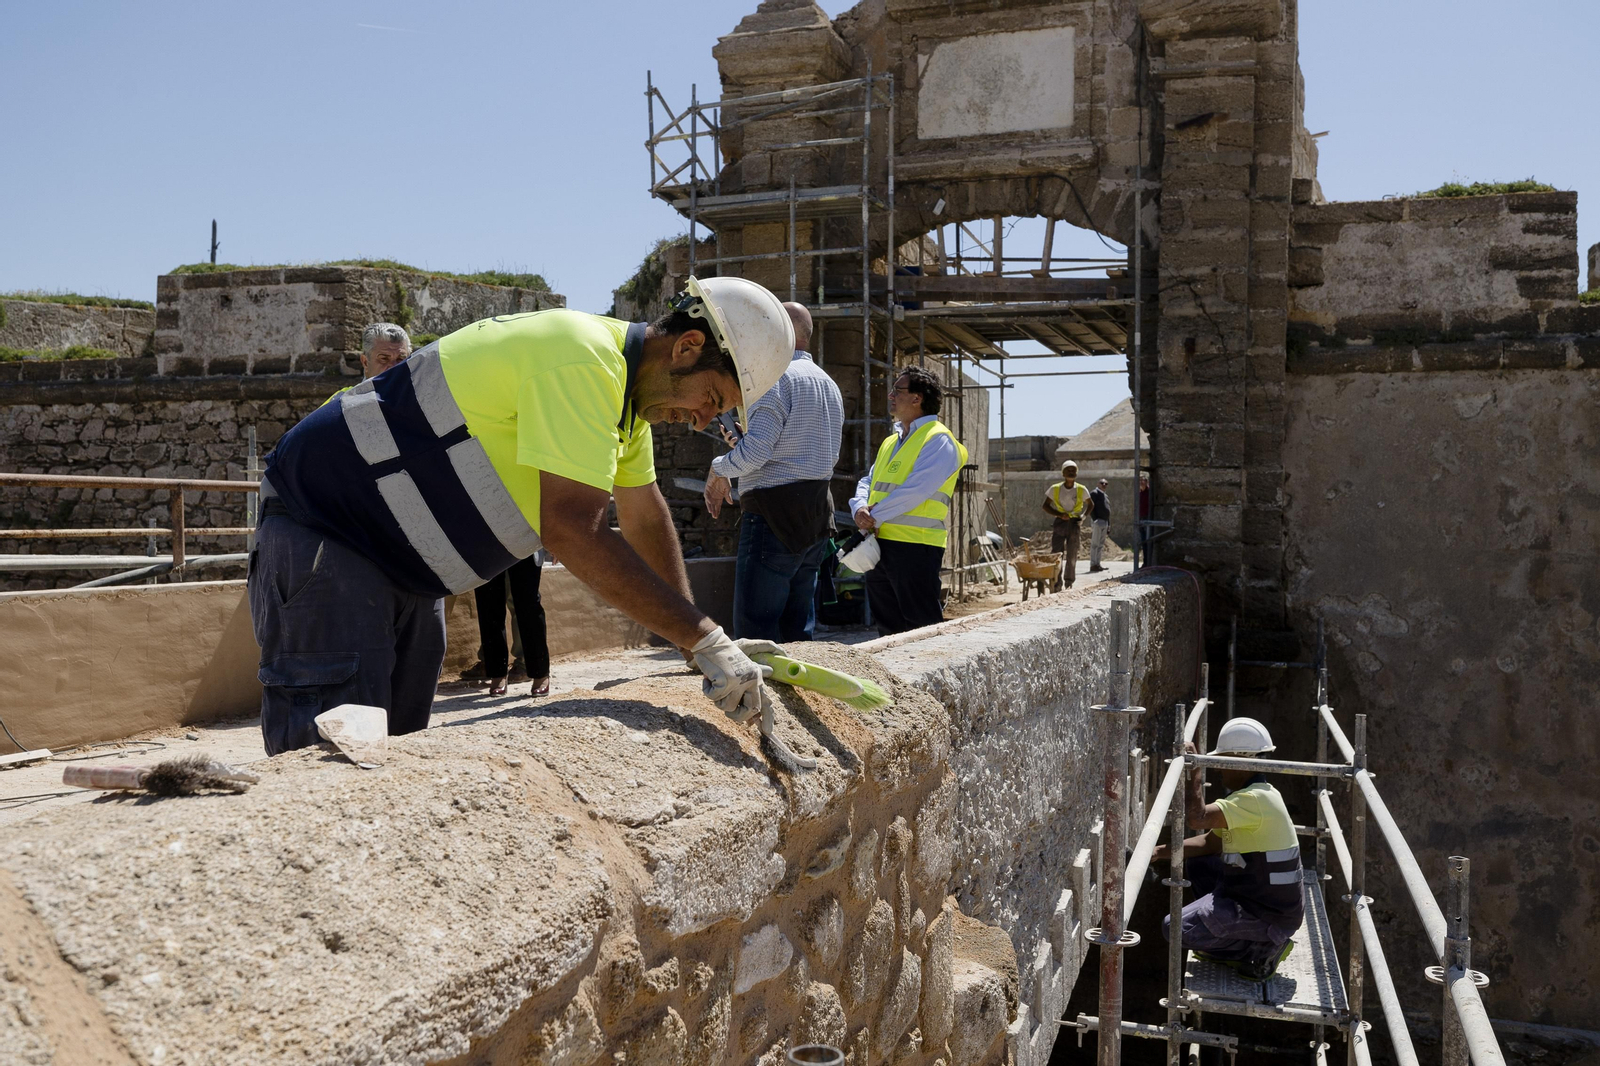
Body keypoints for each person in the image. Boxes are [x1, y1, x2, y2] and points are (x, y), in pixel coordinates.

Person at [249, 277, 794, 755]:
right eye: (712, 397)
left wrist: (693, 644)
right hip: (328, 537)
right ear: (687, 347)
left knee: (394, 762)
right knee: (331, 760)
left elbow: (645, 518)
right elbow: (573, 529)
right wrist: (705, 639)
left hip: (402, 571)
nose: (702, 418)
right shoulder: (582, 359)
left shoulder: (626, 409)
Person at [703, 302, 843, 642]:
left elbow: (758, 453)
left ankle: (759, 695)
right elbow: (791, 448)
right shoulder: (827, 383)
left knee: (757, 629)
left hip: (774, 514)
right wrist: (743, 443)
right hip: (818, 511)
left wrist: (719, 468)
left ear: (780, 330)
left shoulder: (772, 379)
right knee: (797, 628)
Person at [1153, 717, 1304, 981]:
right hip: (1253, 896)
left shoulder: (1256, 800)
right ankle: (1227, 933)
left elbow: (1197, 819)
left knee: (1175, 928)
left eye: (1223, 761)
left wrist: (1195, 771)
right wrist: (1155, 853)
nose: (1220, 769)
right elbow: (1208, 843)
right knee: (1199, 864)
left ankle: (1264, 948)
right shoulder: (1254, 797)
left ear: (1241, 762)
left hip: (1268, 915)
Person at [848, 365, 968, 636]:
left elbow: (917, 490)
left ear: (917, 398)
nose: (890, 395)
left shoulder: (939, 440)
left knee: (921, 630)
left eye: (897, 390)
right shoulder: (892, 441)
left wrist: (872, 515)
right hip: (880, 543)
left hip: (916, 546)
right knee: (888, 630)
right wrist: (858, 507)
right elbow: (869, 481)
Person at [473, 556, 548, 696]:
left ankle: (540, 673)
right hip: (486, 543)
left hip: (526, 541)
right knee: (489, 606)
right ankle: (497, 674)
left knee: (528, 606)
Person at [1042, 460, 1089, 586]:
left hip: (1074, 524)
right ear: (1063, 473)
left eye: (1073, 470)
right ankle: (1056, 583)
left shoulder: (1081, 489)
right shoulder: (1055, 488)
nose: (1071, 472)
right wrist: (1058, 514)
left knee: (1072, 554)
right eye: (1068, 470)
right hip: (1060, 523)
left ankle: (1069, 582)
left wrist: (1083, 517)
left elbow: (1091, 505)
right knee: (1057, 554)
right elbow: (1045, 506)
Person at [1088, 478, 1111, 572]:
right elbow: (1090, 507)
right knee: (1095, 544)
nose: (1104, 485)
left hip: (1105, 522)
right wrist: (1095, 519)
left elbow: (1108, 510)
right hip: (1098, 521)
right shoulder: (1094, 493)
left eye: (1106, 483)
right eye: (1102, 483)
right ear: (1098, 484)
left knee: (1100, 544)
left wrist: (1109, 524)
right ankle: (1093, 564)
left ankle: (1098, 564)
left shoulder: (1105, 495)